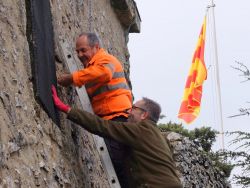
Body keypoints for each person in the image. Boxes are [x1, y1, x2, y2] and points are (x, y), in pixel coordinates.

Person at [52, 85, 183, 188]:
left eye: (133, 108)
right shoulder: (161, 138)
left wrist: (67, 109)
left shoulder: (140, 130)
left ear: (144, 115)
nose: (128, 112)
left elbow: (103, 126)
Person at [57, 32, 132, 187]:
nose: (79, 55)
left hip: (118, 119)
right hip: (108, 119)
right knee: (118, 165)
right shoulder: (91, 67)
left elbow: (104, 73)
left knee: (119, 165)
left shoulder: (106, 60)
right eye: (77, 51)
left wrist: (72, 78)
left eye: (83, 50)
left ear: (96, 47)